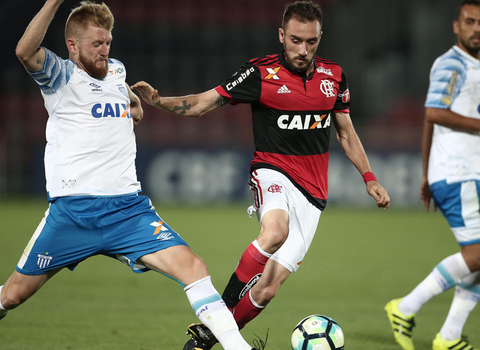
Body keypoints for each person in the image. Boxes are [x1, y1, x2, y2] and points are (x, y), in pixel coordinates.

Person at [0, 1, 263, 350]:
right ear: (73, 46)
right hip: (73, 214)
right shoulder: (59, 75)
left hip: (128, 211)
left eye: (108, 42)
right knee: (14, 295)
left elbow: (128, 104)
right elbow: (24, 50)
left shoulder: (117, 72)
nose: (104, 50)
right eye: (96, 44)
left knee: (194, 267)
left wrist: (136, 106)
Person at [131, 1, 391, 349]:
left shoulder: (334, 76)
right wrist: (161, 102)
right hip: (272, 171)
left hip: (313, 194)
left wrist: (369, 177)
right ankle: (219, 311)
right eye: (295, 40)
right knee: (274, 232)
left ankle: (206, 339)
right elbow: (202, 103)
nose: (303, 50)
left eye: (311, 42)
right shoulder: (259, 74)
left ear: (319, 38)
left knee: (267, 289)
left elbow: (345, 132)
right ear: (282, 35)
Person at [384, 1, 480, 350]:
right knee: (479, 253)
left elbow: (433, 119)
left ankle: (448, 337)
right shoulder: (451, 64)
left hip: (469, 174)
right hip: (460, 174)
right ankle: (405, 307)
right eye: (469, 21)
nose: (476, 28)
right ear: (456, 27)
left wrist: (426, 173)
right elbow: (433, 111)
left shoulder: (473, 69)